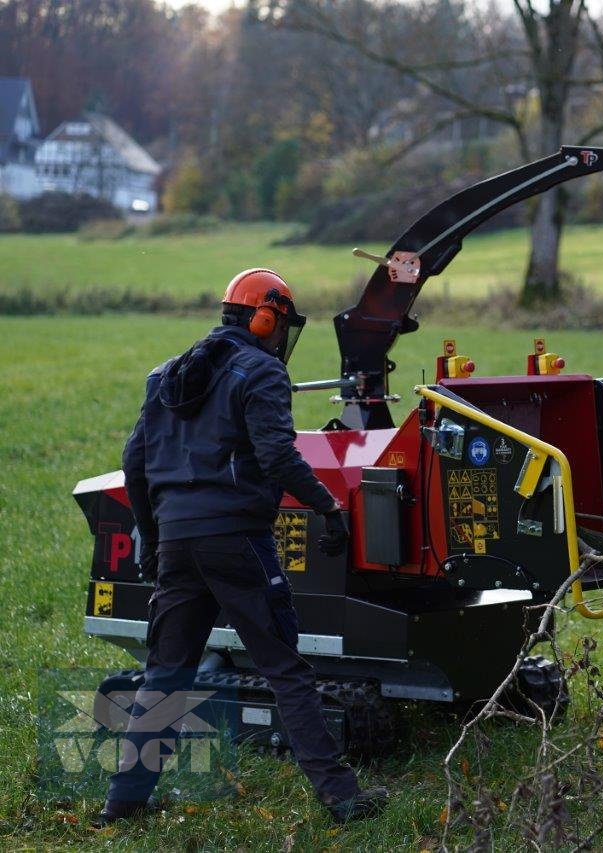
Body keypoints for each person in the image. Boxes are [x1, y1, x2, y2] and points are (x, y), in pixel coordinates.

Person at [95, 269, 388, 827]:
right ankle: (341, 798)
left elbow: (136, 465)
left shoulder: (166, 376)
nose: (280, 339)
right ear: (265, 317)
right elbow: (278, 457)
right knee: (286, 670)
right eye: (281, 326)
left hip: (178, 542)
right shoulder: (259, 372)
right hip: (236, 540)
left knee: (166, 673)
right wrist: (328, 507)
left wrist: (154, 542)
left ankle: (123, 804)